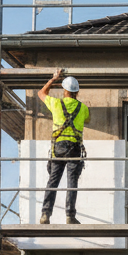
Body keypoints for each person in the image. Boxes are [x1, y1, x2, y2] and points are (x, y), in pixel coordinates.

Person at [38, 68, 89, 225]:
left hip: (58, 147)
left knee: (53, 181)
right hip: (74, 147)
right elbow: (87, 120)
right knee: (72, 182)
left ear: (64, 90)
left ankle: (45, 214)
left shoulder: (56, 103)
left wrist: (53, 79)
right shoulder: (83, 108)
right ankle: (70, 216)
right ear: (77, 92)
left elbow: (41, 93)